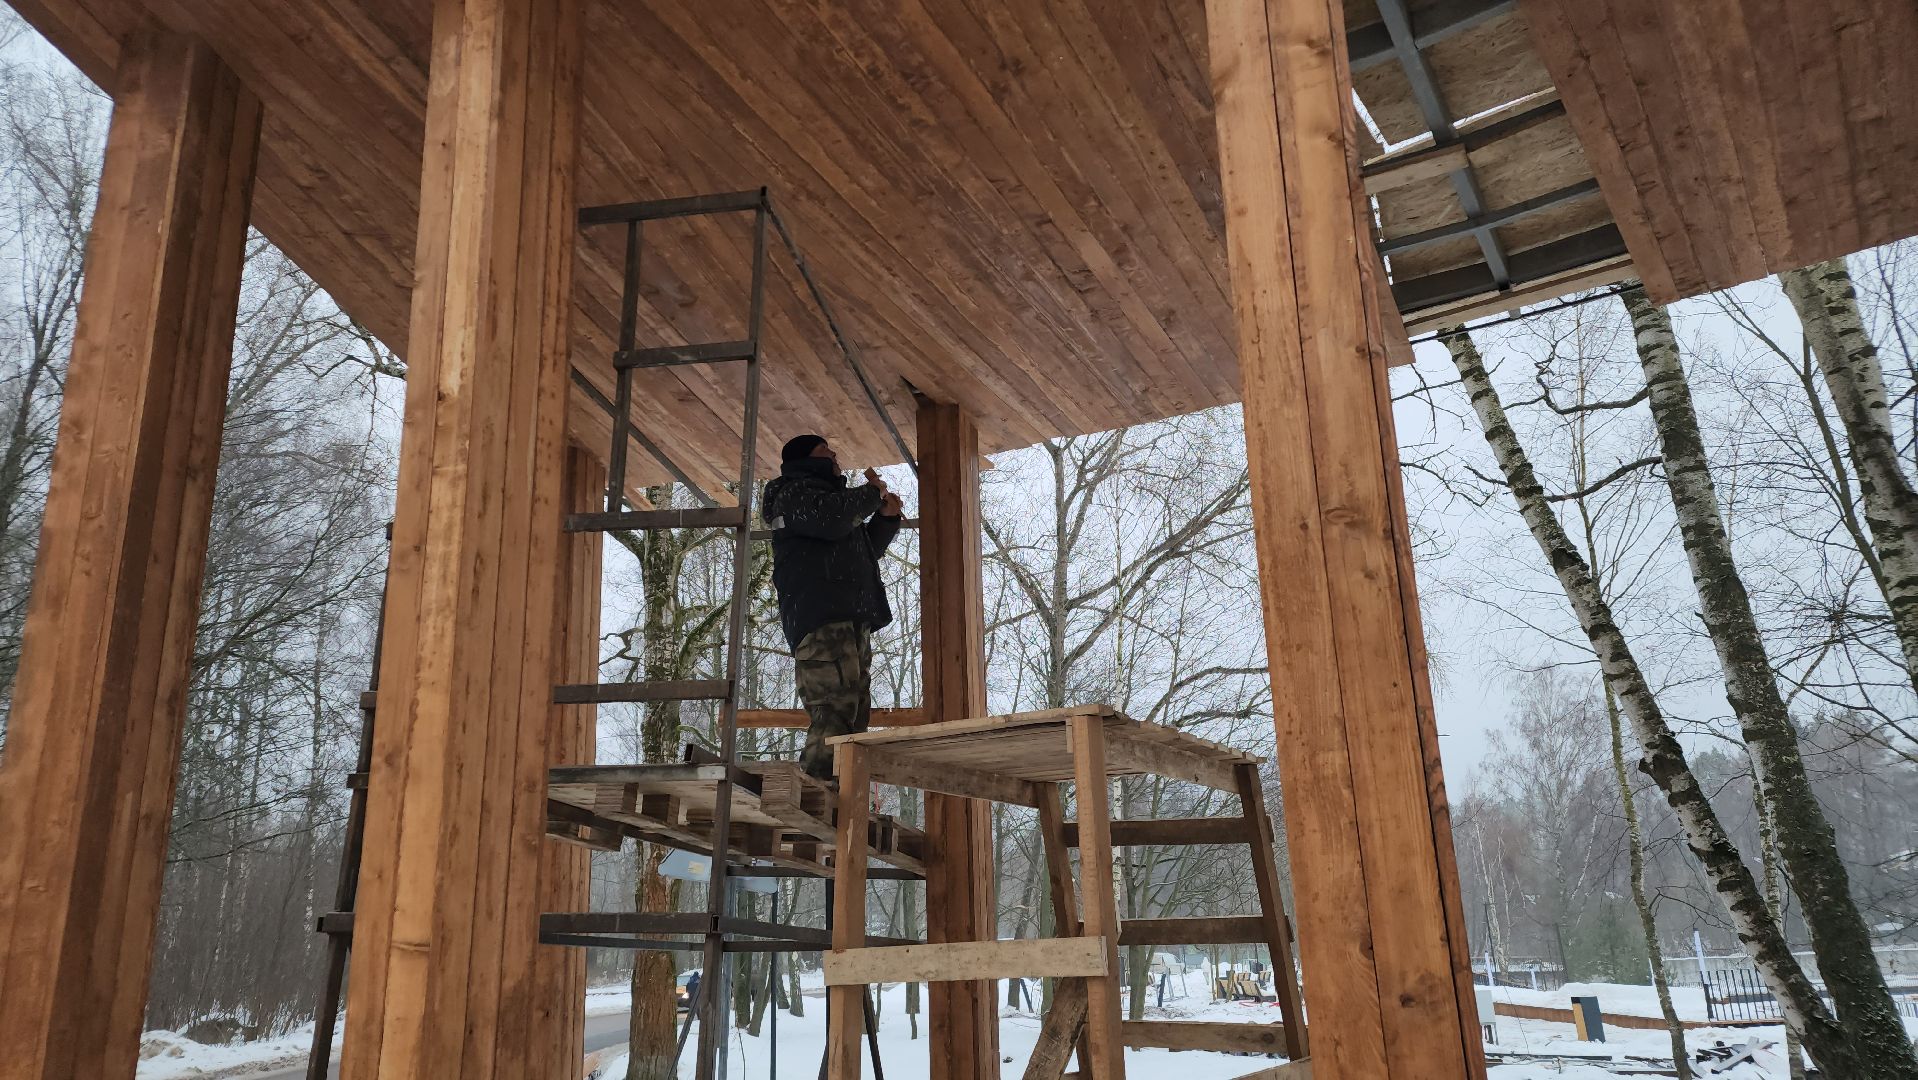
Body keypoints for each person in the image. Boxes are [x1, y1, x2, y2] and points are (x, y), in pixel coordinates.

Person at [761, 433, 903, 780]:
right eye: (826, 451)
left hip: (848, 617)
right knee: (833, 708)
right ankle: (817, 791)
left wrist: (884, 518)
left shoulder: (827, 503)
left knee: (854, 712)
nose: (836, 454)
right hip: (821, 616)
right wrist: (871, 494)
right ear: (807, 460)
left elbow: (860, 551)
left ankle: (842, 791)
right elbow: (836, 519)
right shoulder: (792, 494)